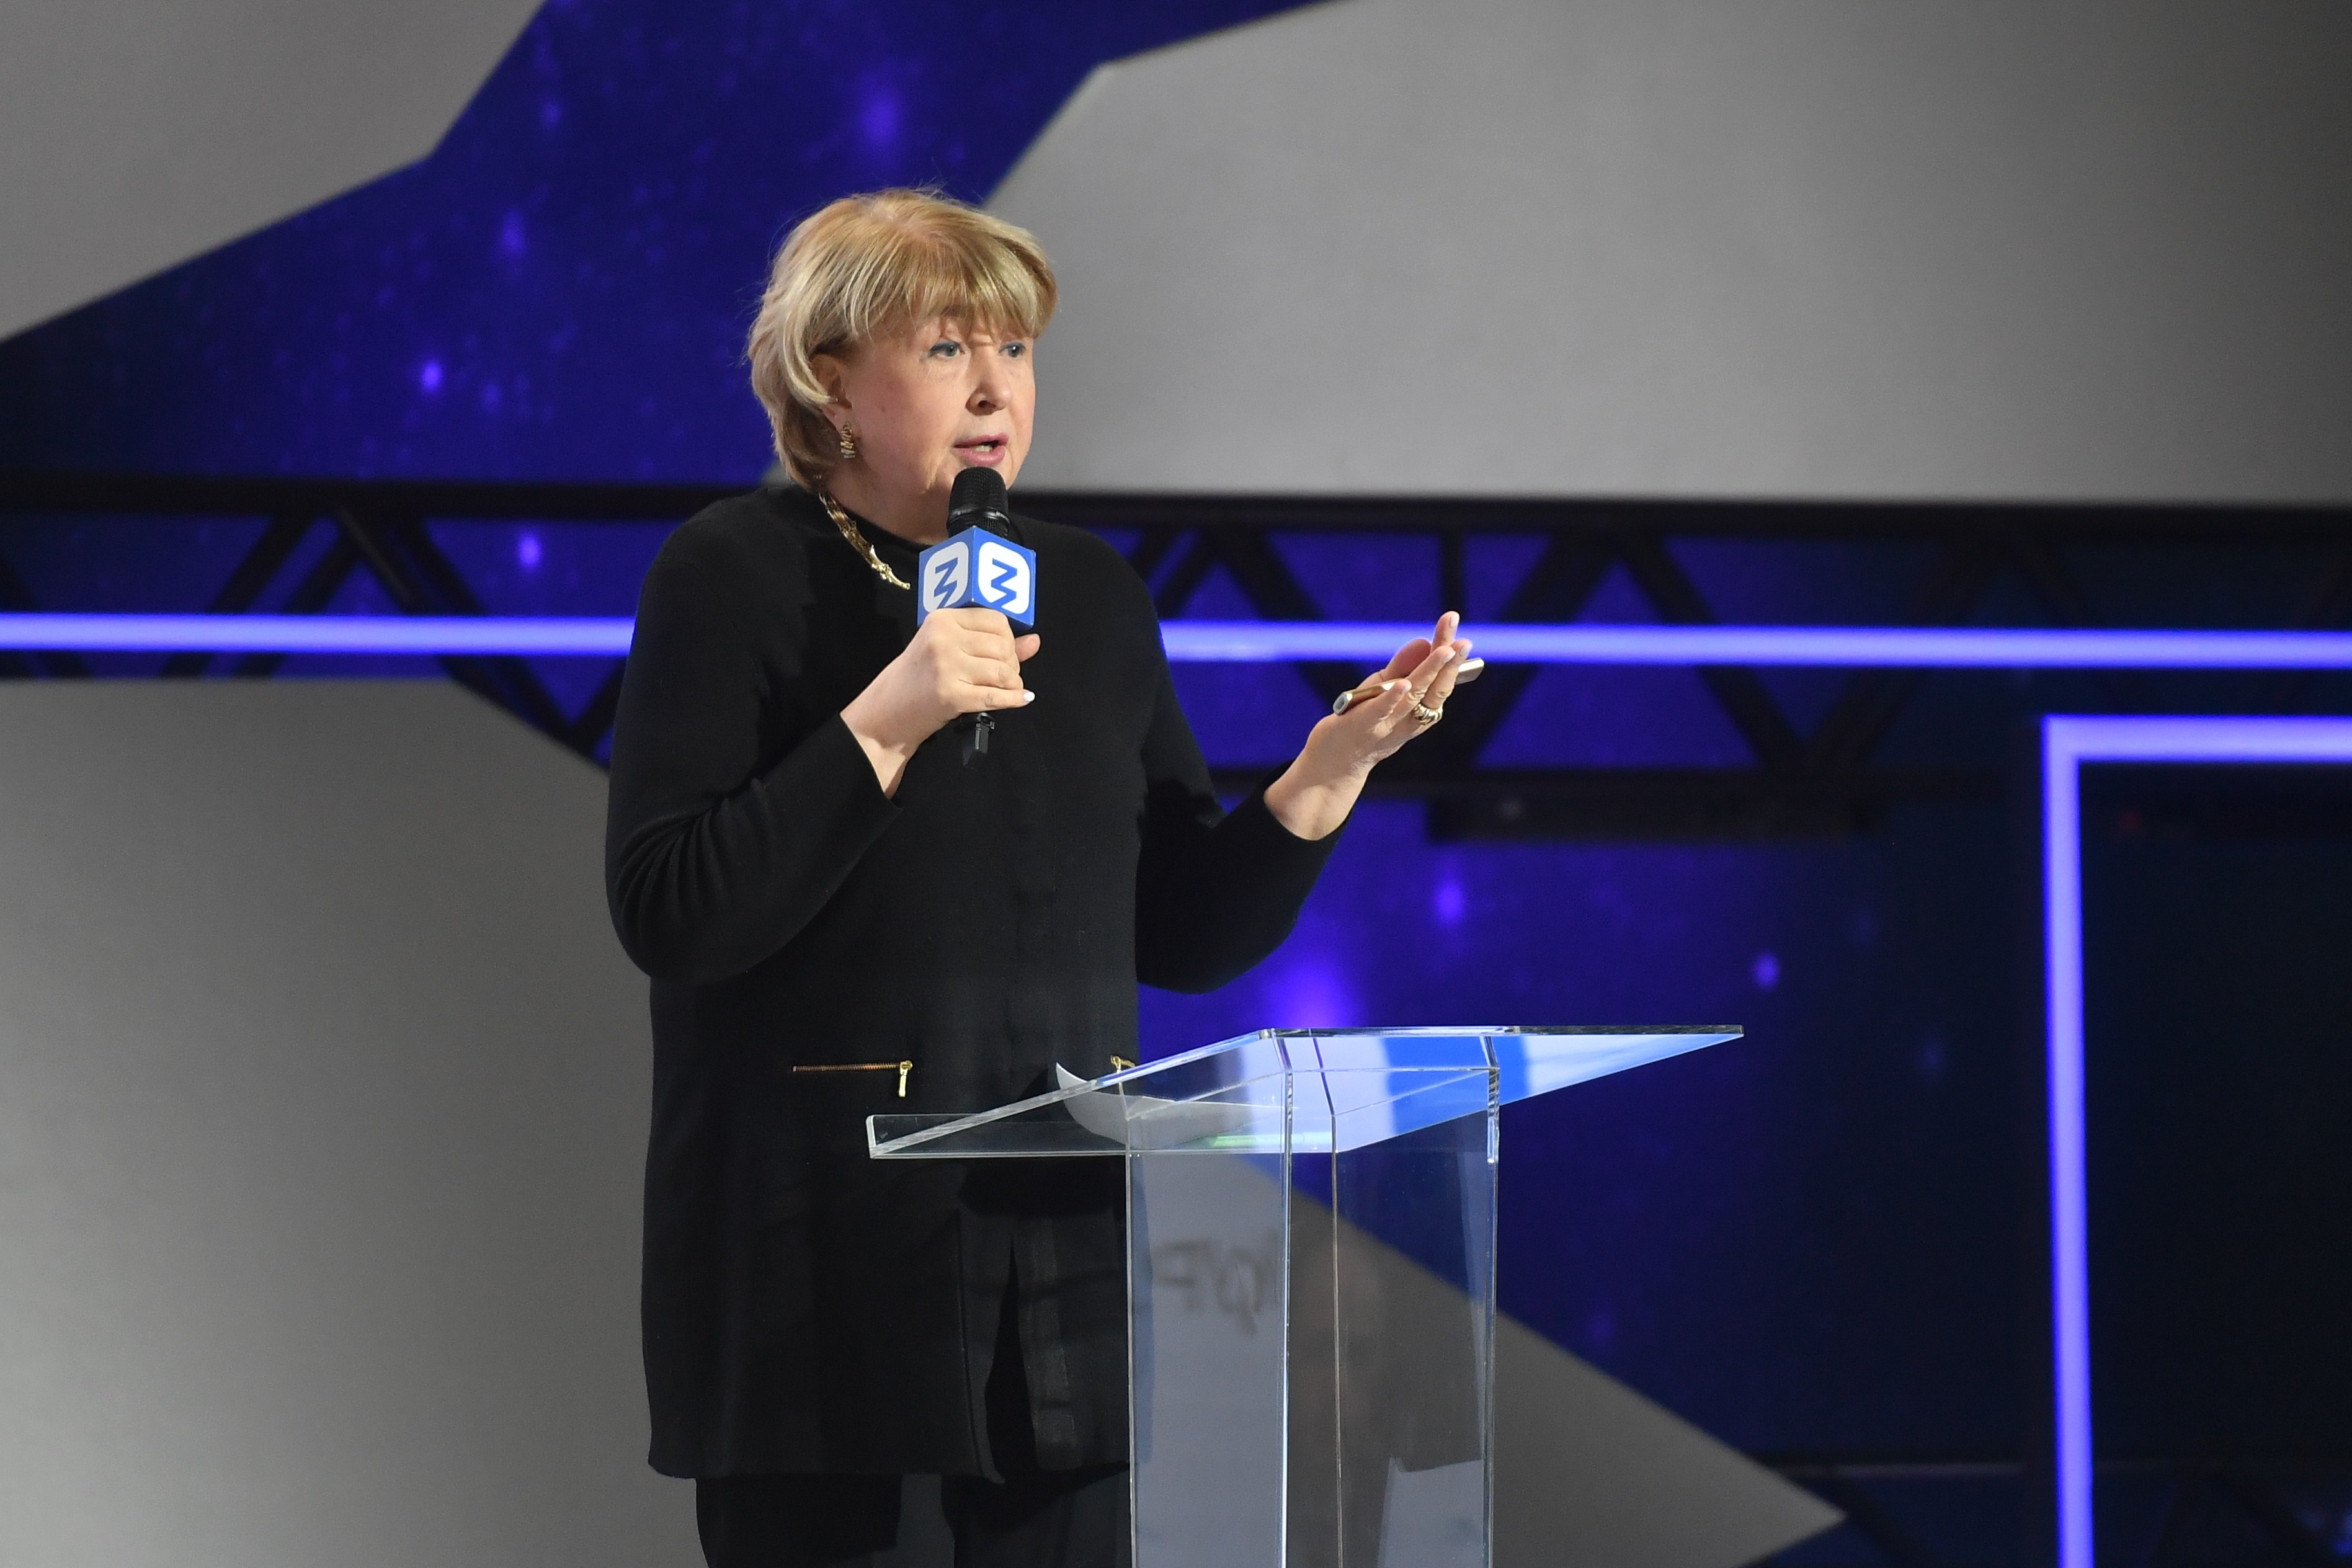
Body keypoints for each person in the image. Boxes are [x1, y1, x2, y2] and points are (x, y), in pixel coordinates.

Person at [603, 188, 1474, 1568]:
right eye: (947, 348)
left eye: (1014, 349)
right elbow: (674, 909)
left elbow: (1180, 933)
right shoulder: (733, 574)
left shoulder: (1091, 595)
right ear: (831, 381)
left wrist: (1326, 775)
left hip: (1064, 1285)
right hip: (824, 1290)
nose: (995, 388)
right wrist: (891, 716)